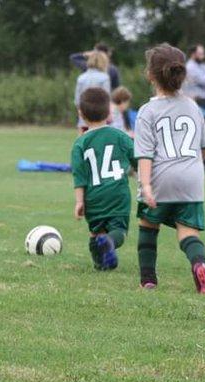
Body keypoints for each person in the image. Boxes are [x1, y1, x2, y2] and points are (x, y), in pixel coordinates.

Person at [134, 44, 205, 294]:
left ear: (150, 75)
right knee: (188, 232)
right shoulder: (193, 107)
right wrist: (191, 166)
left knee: (148, 225)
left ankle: (148, 280)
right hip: (192, 178)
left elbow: (145, 154)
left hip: (160, 178)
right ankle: (200, 264)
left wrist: (146, 186)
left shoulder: (147, 111)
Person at [71, 88, 135, 271]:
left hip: (94, 196)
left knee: (96, 232)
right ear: (109, 112)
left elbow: (79, 176)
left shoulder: (80, 143)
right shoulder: (121, 137)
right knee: (118, 231)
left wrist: (79, 202)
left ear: (81, 114)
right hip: (118, 194)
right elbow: (138, 159)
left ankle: (101, 261)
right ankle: (108, 244)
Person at [74, 51, 110, 134]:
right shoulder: (104, 78)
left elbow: (77, 100)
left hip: (84, 117)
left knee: (83, 142)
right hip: (100, 119)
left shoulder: (81, 78)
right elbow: (106, 99)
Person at [181, 44, 205, 114]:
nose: (203, 56)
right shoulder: (190, 67)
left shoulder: (203, 66)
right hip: (197, 102)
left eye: (203, 53)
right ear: (193, 54)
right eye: (200, 54)